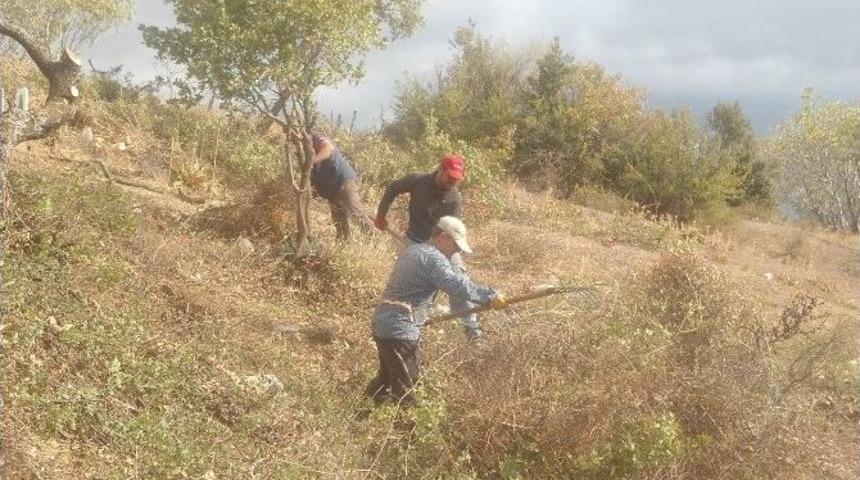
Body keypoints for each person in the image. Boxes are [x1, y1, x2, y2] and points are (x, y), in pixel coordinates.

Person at [365, 216, 506, 406]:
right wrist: (490, 296)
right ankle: (408, 433)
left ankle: (359, 416)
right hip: (400, 330)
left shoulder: (415, 250)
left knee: (387, 379)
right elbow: (457, 286)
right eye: (455, 245)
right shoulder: (433, 258)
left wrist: (422, 316)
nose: (456, 251)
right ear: (442, 236)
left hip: (383, 323)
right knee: (408, 390)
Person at [373, 154, 486, 340]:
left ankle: (471, 329)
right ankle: (414, 323)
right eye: (449, 177)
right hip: (415, 241)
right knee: (416, 285)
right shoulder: (418, 181)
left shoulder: (454, 199)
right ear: (440, 170)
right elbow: (393, 188)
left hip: (443, 245)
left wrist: (444, 257)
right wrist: (381, 215)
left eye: (456, 180)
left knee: (458, 279)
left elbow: (452, 231)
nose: (452, 183)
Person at [310, 133, 374, 241]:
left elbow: (328, 148)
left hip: (343, 181)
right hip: (331, 190)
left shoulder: (316, 138)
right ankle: (343, 244)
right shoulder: (301, 151)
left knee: (356, 214)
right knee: (338, 220)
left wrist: (311, 162)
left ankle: (373, 241)